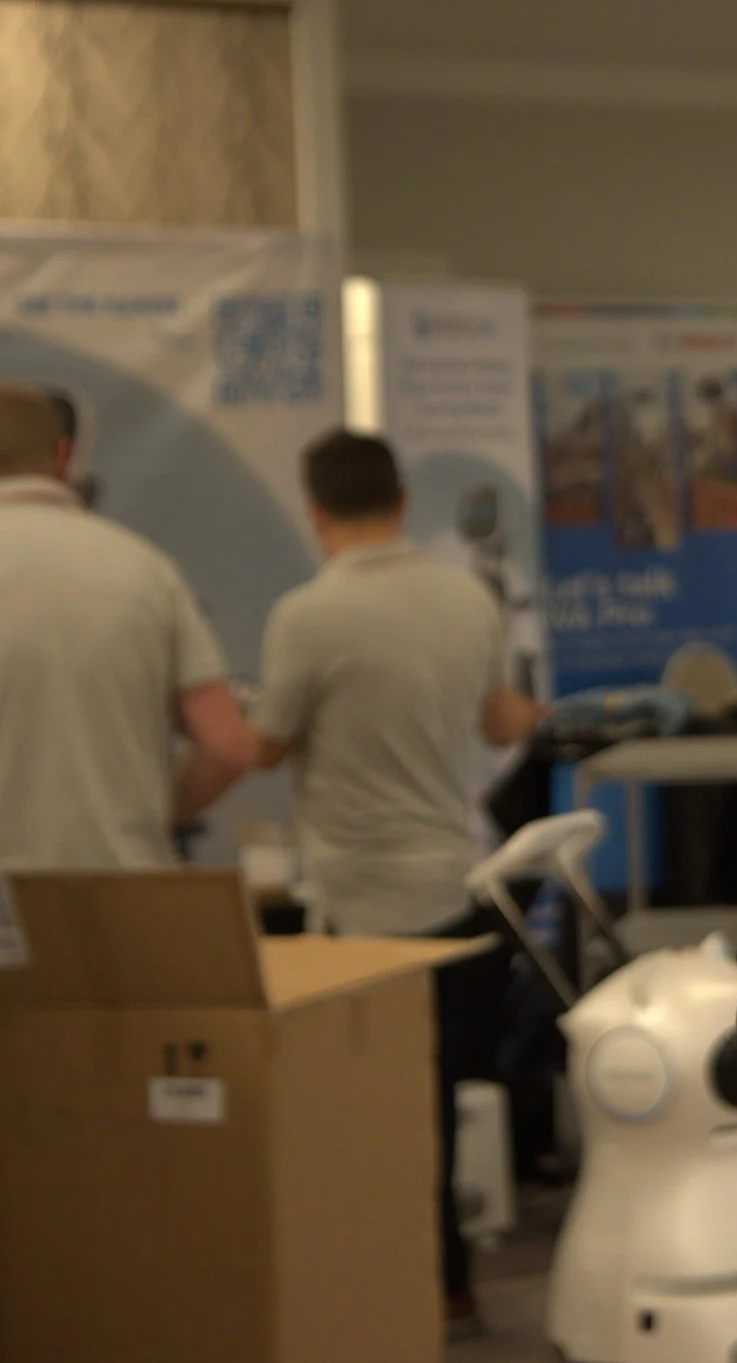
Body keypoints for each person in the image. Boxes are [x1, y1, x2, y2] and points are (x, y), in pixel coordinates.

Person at [246, 428, 545, 1338]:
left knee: (362, 1118)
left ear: (316, 508)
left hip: (359, 908)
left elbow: (264, 745)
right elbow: (502, 726)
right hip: (456, 899)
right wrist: (534, 707)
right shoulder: (466, 596)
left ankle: (371, 1289)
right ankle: (450, 1287)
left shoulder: (305, 614)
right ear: (401, 502)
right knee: (439, 1109)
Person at [0, 382, 254, 868]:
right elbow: (228, 748)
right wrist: (152, 813)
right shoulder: (144, 571)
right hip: (115, 892)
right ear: (64, 457)